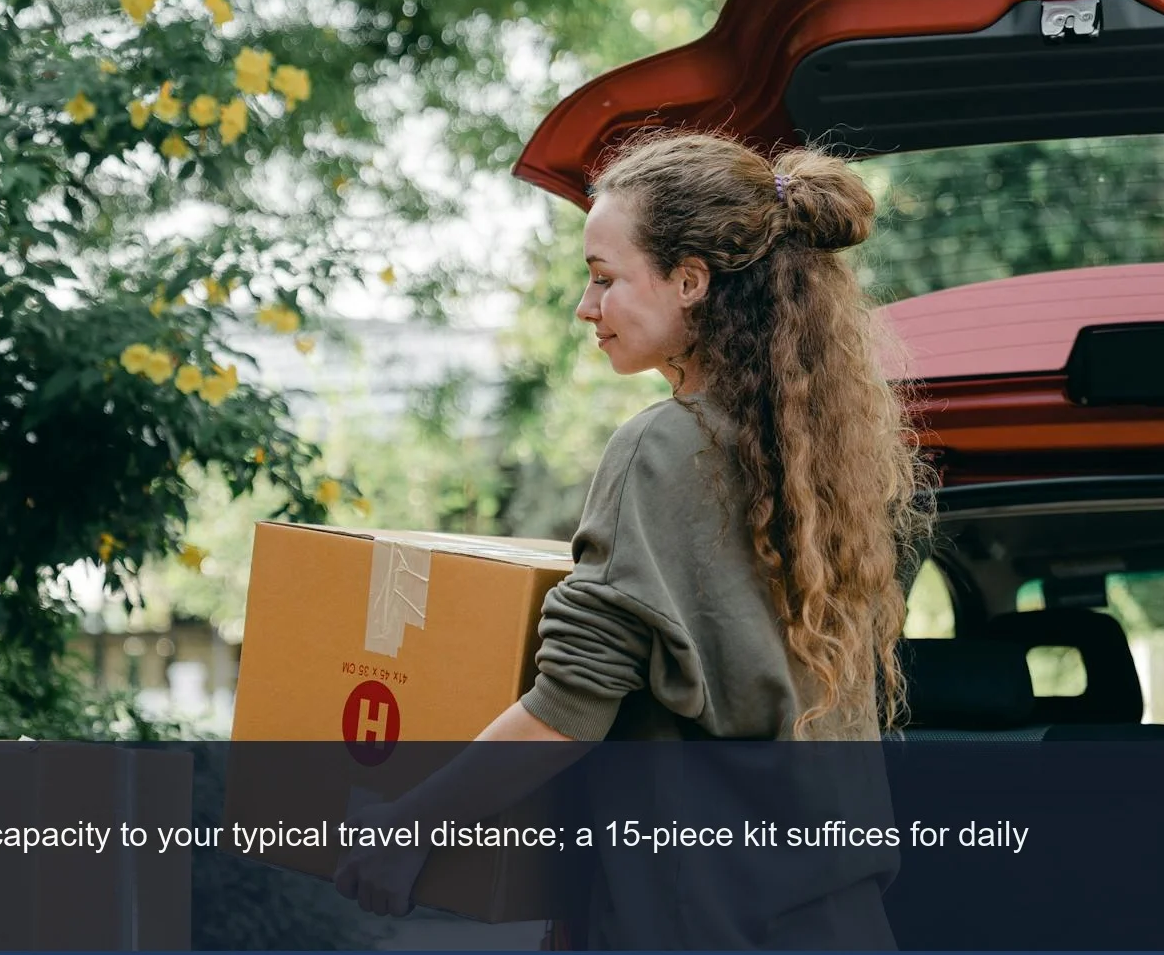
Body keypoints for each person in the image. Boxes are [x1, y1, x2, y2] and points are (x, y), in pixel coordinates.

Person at [334, 130, 935, 945]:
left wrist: (409, 823)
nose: (586, 307)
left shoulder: (663, 445)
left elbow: (571, 703)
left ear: (690, 280)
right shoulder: (822, 461)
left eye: (604, 277)